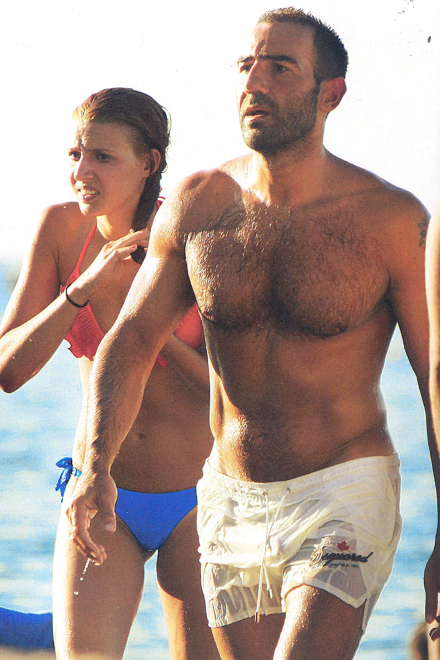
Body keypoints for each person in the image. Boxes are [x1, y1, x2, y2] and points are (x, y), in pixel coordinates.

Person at [66, 9, 438, 660]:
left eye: (280, 68)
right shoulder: (199, 205)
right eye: (247, 66)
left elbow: (434, 376)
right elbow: (131, 340)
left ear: (331, 94)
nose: (254, 84)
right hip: (231, 498)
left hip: (343, 490)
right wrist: (95, 468)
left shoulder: (389, 219)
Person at [0, 87, 218, 660]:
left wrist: (148, 329)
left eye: (102, 156)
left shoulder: (192, 236)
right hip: (100, 493)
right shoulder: (60, 231)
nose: (82, 172)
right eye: (75, 154)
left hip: (198, 498)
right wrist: (80, 290)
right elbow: (9, 369)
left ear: (148, 163)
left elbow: (230, 394)